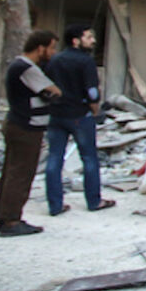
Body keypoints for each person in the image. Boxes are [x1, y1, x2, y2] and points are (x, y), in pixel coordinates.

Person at [0, 31, 61, 237]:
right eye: (51, 48)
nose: (52, 52)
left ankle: (3, 214)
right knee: (21, 173)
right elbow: (54, 91)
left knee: (11, 170)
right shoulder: (27, 68)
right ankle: (12, 219)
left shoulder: (18, 66)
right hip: (26, 126)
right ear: (40, 48)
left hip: (19, 123)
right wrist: (50, 95)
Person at [44, 24, 115, 216]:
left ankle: (55, 204)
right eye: (89, 37)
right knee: (89, 158)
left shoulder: (55, 60)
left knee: (54, 158)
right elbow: (92, 92)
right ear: (76, 41)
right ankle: (94, 200)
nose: (93, 40)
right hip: (79, 115)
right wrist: (95, 111)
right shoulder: (85, 62)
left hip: (57, 114)